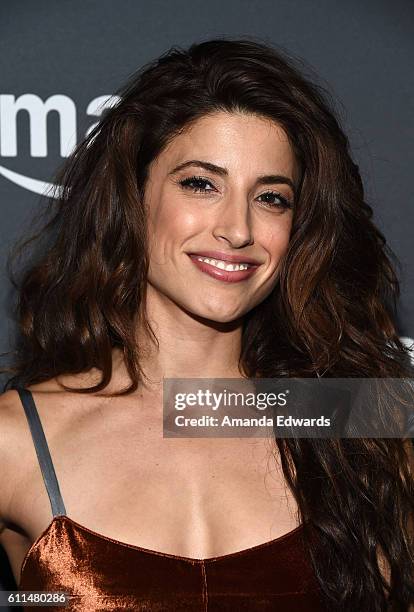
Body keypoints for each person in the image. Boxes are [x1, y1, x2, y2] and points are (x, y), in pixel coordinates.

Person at [0, 37, 413, 611]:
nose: (237, 229)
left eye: (272, 198)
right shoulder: (16, 439)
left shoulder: (361, 421)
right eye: (200, 183)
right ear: (133, 197)